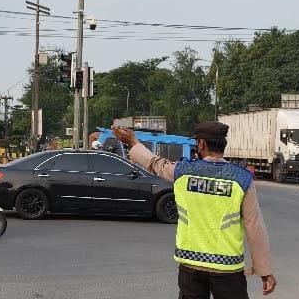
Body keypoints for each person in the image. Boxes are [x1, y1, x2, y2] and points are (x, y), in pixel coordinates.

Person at [113, 122, 277, 298]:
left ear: (202, 144)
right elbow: (255, 227)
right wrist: (264, 271)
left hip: (190, 266)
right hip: (227, 268)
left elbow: (154, 163)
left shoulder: (183, 171)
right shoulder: (242, 178)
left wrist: (133, 142)